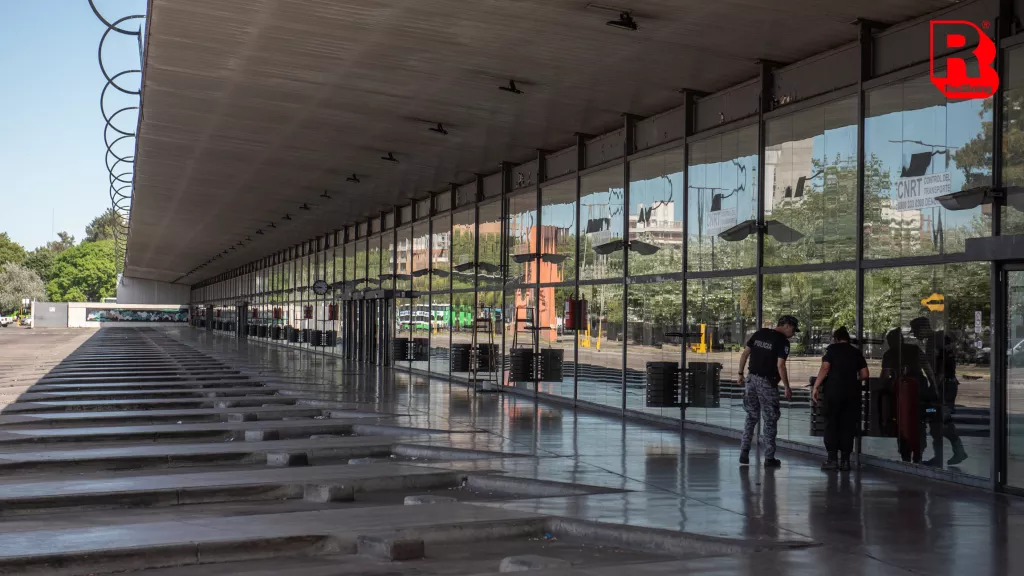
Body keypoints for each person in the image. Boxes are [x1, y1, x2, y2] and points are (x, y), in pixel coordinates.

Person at [738, 315, 798, 467]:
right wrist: (787, 387)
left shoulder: (760, 334)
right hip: (766, 382)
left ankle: (744, 452)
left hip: (751, 379)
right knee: (770, 419)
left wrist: (740, 374)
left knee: (751, 416)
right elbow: (780, 366)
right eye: (793, 330)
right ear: (787, 325)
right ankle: (769, 457)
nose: (794, 334)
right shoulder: (782, 342)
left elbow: (745, 353)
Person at [812, 326, 868, 471]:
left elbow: (825, 368)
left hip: (834, 393)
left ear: (836, 339)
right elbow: (865, 374)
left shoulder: (832, 350)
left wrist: (816, 386)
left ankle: (832, 460)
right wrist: (855, 382)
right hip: (852, 394)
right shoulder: (856, 352)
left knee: (832, 424)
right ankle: (845, 461)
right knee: (848, 426)